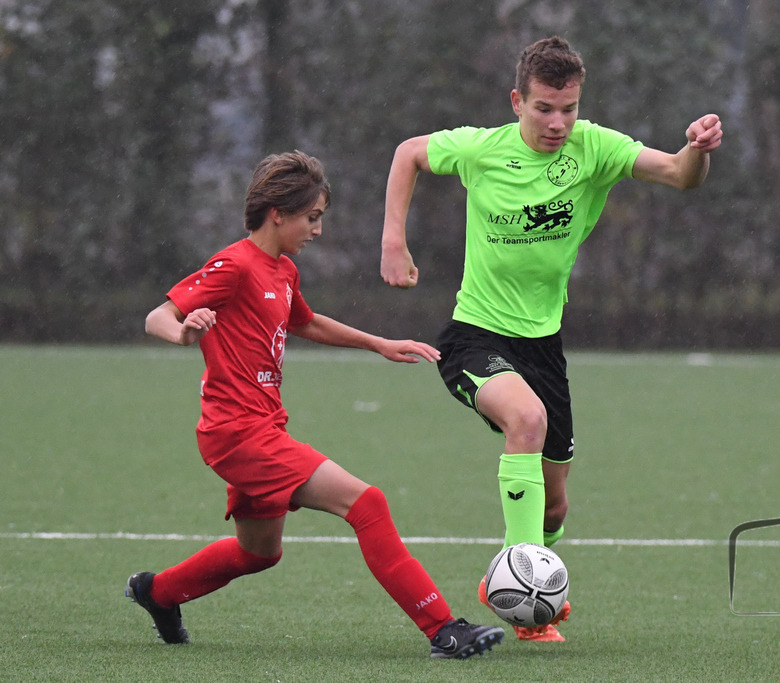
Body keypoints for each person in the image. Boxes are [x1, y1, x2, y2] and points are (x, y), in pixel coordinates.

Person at [380, 36, 723, 642]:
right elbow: (408, 152)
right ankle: (521, 593)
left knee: (556, 506)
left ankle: (510, 579)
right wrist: (393, 241)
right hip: (474, 335)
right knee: (527, 420)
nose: (557, 122)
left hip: (543, 345)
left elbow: (678, 175)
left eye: (568, 108)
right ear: (518, 101)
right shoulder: (482, 149)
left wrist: (696, 149)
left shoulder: (593, 148)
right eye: (543, 108)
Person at [125, 151, 504, 659]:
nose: (317, 231)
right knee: (366, 503)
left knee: (259, 552)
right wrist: (182, 330)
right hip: (238, 434)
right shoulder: (233, 265)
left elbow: (305, 321)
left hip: (261, 428)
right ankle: (444, 629)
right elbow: (159, 315)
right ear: (278, 212)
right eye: (312, 217)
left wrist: (379, 344)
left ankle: (160, 592)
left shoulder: (282, 271)